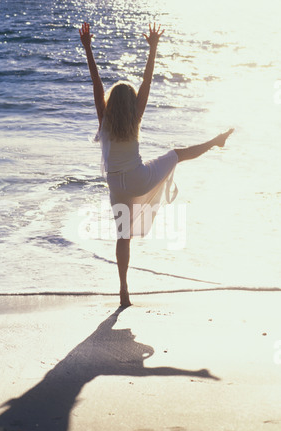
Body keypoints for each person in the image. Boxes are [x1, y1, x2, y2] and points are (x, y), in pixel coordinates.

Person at [79, 22, 234, 307]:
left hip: (116, 186)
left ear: (111, 103)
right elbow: (147, 83)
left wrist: (88, 47)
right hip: (140, 177)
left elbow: (96, 81)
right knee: (178, 154)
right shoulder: (135, 117)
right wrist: (153, 49)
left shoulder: (104, 118)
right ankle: (215, 142)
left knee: (122, 237)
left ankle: (123, 290)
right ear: (131, 104)